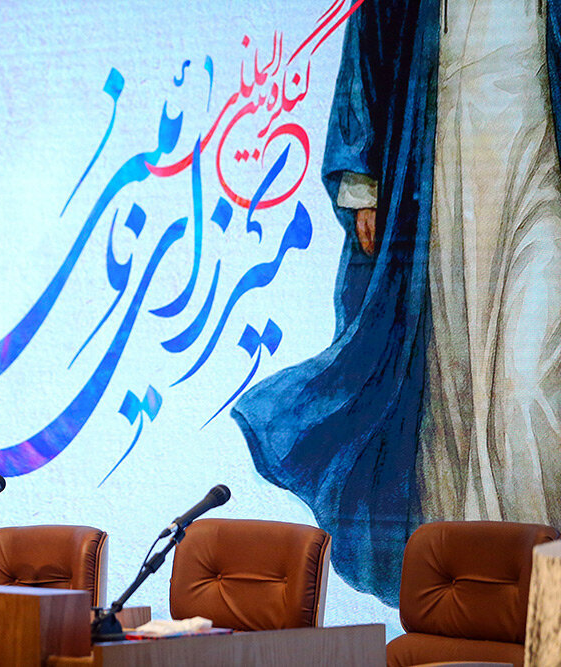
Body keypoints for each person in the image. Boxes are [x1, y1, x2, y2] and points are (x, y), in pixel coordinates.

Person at [232, 0, 561, 605]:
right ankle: (467, 610)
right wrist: (362, 180)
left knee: (529, 388)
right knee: (450, 402)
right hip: (440, 179)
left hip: (541, 170)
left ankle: (546, 614)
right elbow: (370, 39)